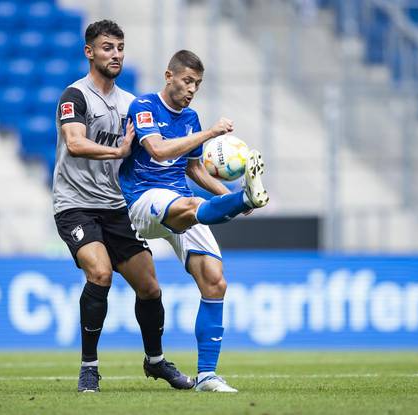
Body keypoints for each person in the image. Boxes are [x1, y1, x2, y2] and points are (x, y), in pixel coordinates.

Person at [52, 20, 193, 392]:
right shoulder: (75, 96)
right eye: (107, 47)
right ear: (89, 52)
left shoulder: (132, 103)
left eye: (119, 48)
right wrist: (117, 150)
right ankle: (89, 368)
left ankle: (156, 362)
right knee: (100, 273)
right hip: (75, 205)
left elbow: (155, 149)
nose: (115, 54)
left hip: (117, 207)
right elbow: (75, 143)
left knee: (150, 287)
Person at [119, 50, 269, 393]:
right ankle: (243, 198)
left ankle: (206, 376)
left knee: (215, 282)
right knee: (190, 205)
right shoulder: (143, 106)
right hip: (144, 200)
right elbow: (157, 151)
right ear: (169, 75)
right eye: (187, 81)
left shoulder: (191, 118)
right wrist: (211, 133)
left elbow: (194, 168)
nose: (191, 89)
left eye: (197, 84)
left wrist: (224, 191)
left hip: (181, 203)